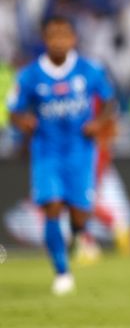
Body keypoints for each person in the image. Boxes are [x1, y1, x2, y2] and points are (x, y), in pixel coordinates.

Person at [8, 16, 116, 295]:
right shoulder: (29, 76)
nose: (59, 41)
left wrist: (98, 123)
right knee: (52, 206)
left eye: (64, 35)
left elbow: (109, 102)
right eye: (53, 36)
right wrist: (24, 123)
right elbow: (14, 112)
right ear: (45, 40)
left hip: (80, 153)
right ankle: (62, 272)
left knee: (80, 214)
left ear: (73, 39)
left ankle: (77, 235)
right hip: (46, 152)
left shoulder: (89, 70)